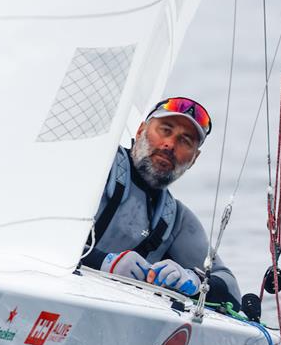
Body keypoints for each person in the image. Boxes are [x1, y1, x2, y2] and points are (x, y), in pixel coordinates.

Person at [82, 97, 241, 310]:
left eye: (185, 141)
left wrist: (193, 281)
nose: (170, 145)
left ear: (194, 159)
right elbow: (27, 226)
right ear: (140, 131)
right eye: (165, 130)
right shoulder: (95, 163)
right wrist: (103, 262)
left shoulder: (176, 220)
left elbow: (231, 292)